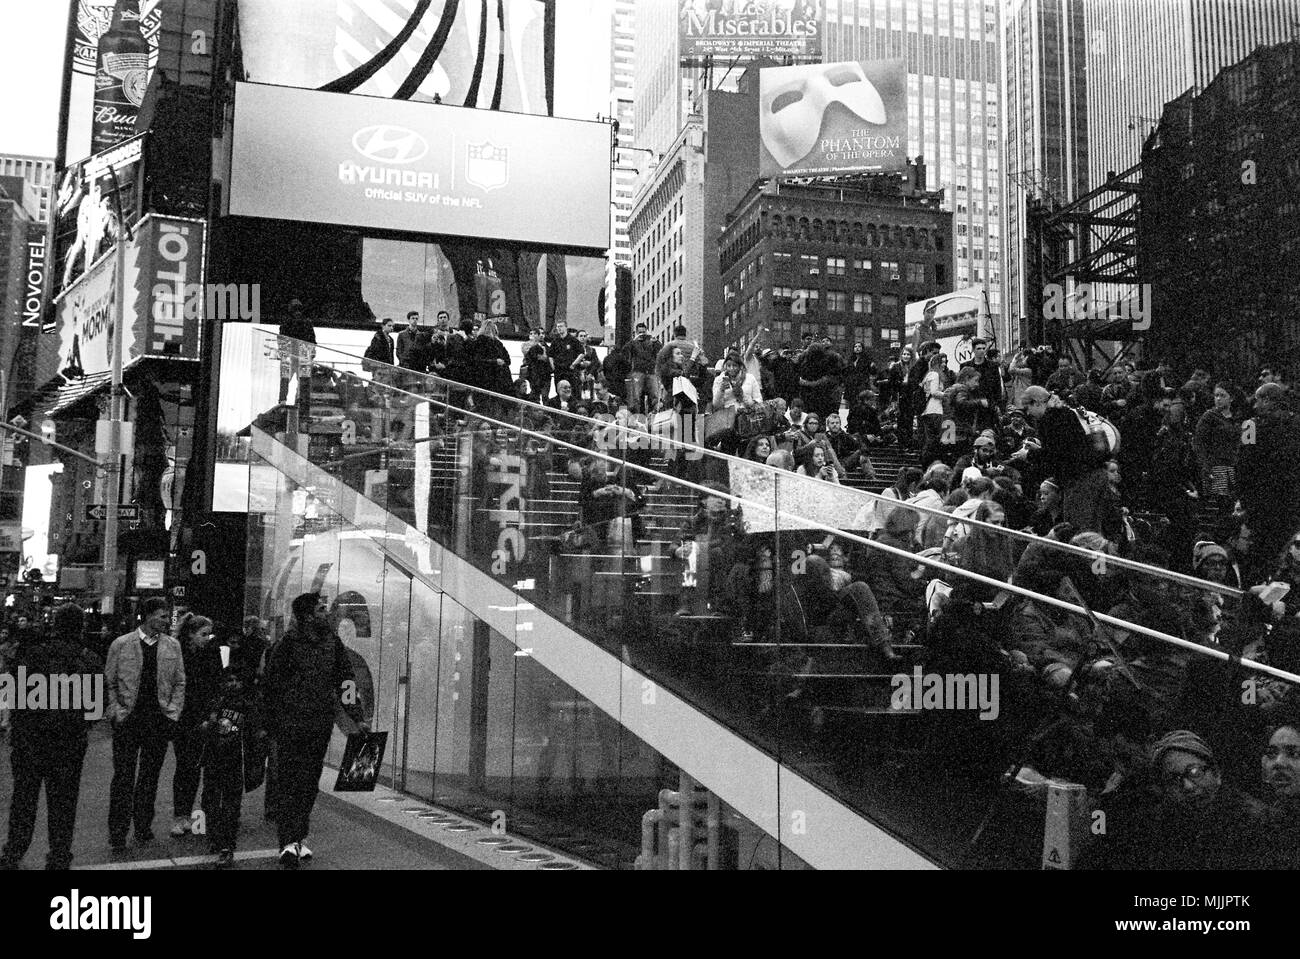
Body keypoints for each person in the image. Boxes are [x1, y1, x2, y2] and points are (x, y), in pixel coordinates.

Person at [262, 592, 368, 868]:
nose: (327, 613)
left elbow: (346, 680)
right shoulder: (287, 645)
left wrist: (358, 716)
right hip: (290, 724)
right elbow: (271, 687)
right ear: (308, 615)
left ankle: (298, 838)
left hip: (318, 724)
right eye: (322, 609)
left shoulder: (332, 643)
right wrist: (270, 725)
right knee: (289, 783)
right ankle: (288, 841)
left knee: (309, 783)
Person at [0, 604, 99, 871]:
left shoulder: (32, 655)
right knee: (64, 804)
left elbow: (13, 695)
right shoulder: (88, 658)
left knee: (24, 800)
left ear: (55, 624)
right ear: (81, 627)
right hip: (68, 742)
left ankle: (13, 852)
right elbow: (94, 710)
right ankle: (58, 856)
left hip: (30, 740)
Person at [105, 597, 185, 849]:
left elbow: (179, 681)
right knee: (123, 778)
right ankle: (118, 831)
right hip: (129, 720)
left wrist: (172, 712)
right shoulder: (121, 644)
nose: (165, 620)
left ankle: (142, 826)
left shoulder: (172, 646)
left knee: (150, 777)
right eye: (162, 615)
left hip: (158, 721)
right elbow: (109, 681)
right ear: (148, 616)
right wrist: (116, 711)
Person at [170, 613, 223, 838]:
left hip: (200, 715)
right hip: (186, 717)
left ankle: (189, 815)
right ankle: (182, 814)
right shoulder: (180, 655)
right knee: (187, 766)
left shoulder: (208, 654)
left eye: (209, 634)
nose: (207, 638)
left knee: (194, 767)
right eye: (203, 634)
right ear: (191, 634)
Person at [1193, 381, 1239, 509]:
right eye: (1216, 395)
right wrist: (1205, 465)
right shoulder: (1209, 417)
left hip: (1234, 465)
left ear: (1231, 398)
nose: (1218, 399)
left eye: (1222, 395)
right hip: (1216, 465)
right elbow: (1199, 443)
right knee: (1221, 503)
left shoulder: (1237, 417)